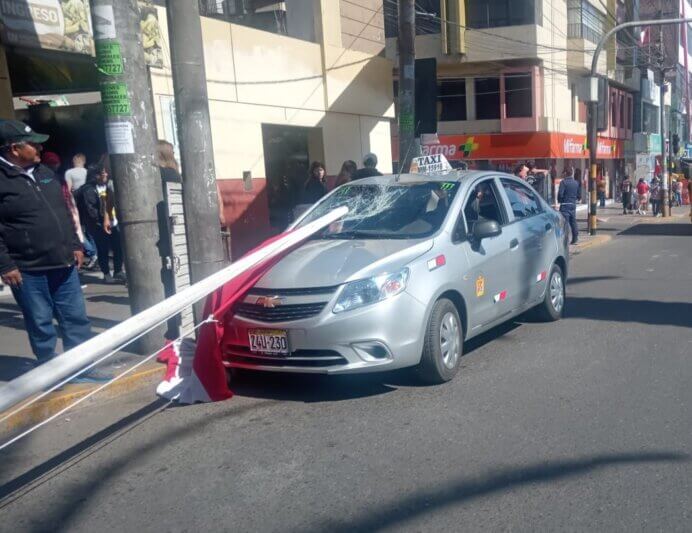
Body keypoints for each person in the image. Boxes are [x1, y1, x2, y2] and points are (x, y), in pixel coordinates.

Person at [0, 120, 92, 364]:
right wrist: (5, 265)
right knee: (40, 322)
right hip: (27, 270)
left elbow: (64, 212)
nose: (40, 149)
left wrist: (75, 244)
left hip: (63, 263)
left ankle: (80, 367)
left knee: (76, 318)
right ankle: (49, 369)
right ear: (14, 149)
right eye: (33, 145)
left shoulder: (45, 173)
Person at [80, 163, 125, 284]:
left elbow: (113, 203)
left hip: (113, 223)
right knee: (103, 249)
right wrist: (101, 222)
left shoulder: (108, 186)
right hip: (99, 226)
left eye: (105, 171)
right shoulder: (88, 189)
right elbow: (91, 209)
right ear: (95, 175)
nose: (105, 174)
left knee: (118, 247)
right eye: (102, 172)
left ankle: (118, 271)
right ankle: (106, 273)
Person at [558, 166, 581, 245]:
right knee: (573, 222)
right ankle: (575, 238)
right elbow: (579, 195)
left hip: (565, 205)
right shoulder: (576, 183)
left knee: (565, 223)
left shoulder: (563, 182)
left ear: (565, 173)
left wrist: (560, 201)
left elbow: (560, 194)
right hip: (573, 205)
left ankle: (565, 240)